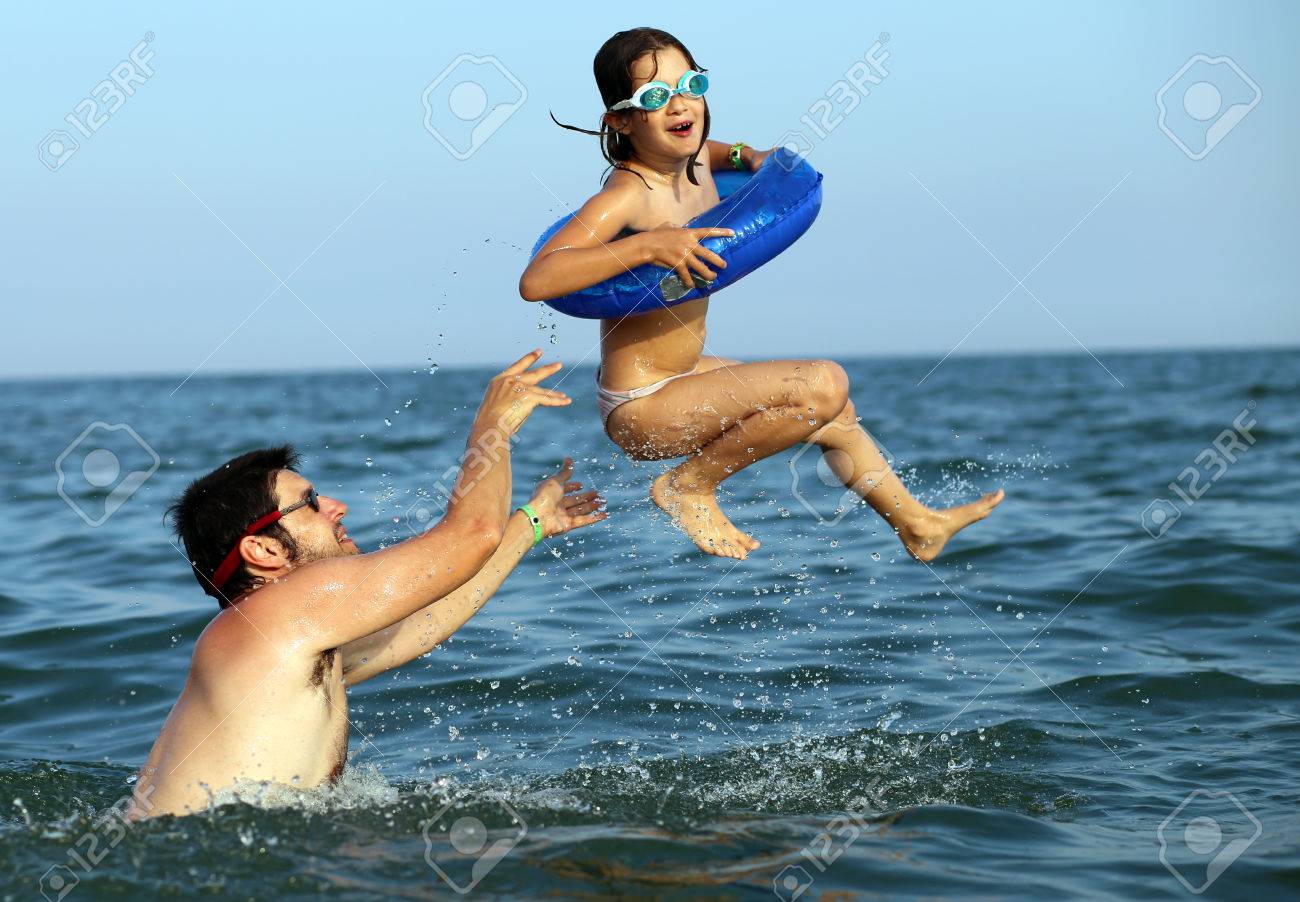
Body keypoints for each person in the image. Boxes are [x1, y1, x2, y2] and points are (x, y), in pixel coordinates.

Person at [520, 27, 1003, 561]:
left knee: (836, 410)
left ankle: (918, 525)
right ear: (621, 119)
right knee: (822, 382)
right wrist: (646, 248)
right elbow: (539, 278)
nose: (681, 104)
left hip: (684, 375)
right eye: (656, 97)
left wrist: (750, 156)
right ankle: (688, 487)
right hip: (643, 406)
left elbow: (718, 152)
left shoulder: (697, 161)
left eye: (691, 84)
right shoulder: (628, 194)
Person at [132, 351, 604, 818]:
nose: (336, 505)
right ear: (265, 551)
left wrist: (532, 522)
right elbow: (470, 537)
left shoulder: (279, 642)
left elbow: (424, 621)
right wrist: (493, 426)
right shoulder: (282, 611)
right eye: (310, 502)